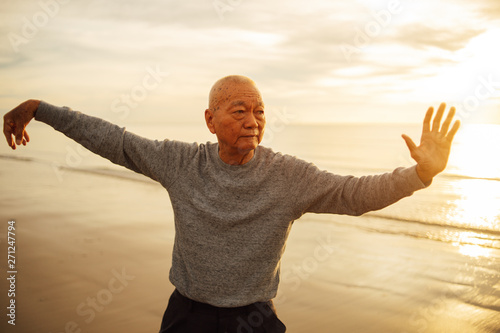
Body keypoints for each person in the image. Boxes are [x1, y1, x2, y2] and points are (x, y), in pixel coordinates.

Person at [3, 75, 460, 332]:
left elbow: (352, 194)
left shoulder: (288, 176)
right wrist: (42, 109)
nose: (253, 120)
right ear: (210, 119)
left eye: (259, 110)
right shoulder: (181, 162)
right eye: (238, 110)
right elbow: (114, 140)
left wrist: (420, 175)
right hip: (187, 316)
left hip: (256, 319)